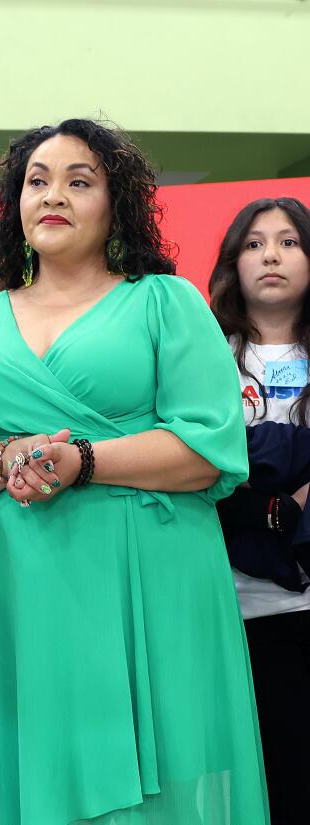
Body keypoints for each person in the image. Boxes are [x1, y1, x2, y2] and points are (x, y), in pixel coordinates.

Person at [0, 119, 270, 824]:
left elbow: (211, 449)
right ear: (15, 205)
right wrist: (3, 458)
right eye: (37, 181)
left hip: (157, 579)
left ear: (118, 204)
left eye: (80, 181)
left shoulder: (166, 303)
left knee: (170, 791)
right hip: (28, 592)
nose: (55, 195)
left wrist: (81, 460)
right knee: (43, 782)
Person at [208, 197, 310, 824]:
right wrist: (277, 508)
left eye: (289, 241)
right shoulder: (206, 355)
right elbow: (203, 469)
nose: (270, 255)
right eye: (253, 243)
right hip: (231, 605)